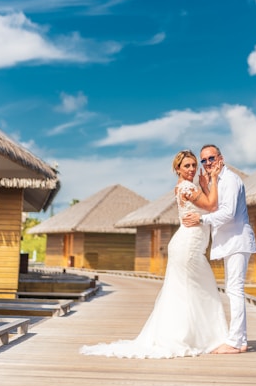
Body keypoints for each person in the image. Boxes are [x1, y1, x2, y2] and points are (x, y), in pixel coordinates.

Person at [80, 149, 228, 359]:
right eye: (187, 166)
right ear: (177, 169)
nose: (192, 169)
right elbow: (212, 205)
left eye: (194, 165)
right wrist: (213, 177)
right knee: (198, 289)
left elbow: (208, 205)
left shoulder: (191, 186)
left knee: (191, 290)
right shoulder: (186, 187)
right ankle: (188, 337)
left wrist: (205, 185)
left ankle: (196, 336)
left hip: (190, 243)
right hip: (188, 245)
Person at [182, 144, 256, 354]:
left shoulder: (231, 180)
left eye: (211, 159)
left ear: (220, 158)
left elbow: (228, 213)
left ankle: (235, 341)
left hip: (237, 240)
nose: (207, 163)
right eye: (204, 160)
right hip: (229, 241)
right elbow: (214, 205)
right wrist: (206, 186)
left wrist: (201, 219)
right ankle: (239, 339)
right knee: (233, 289)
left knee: (235, 290)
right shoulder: (217, 180)